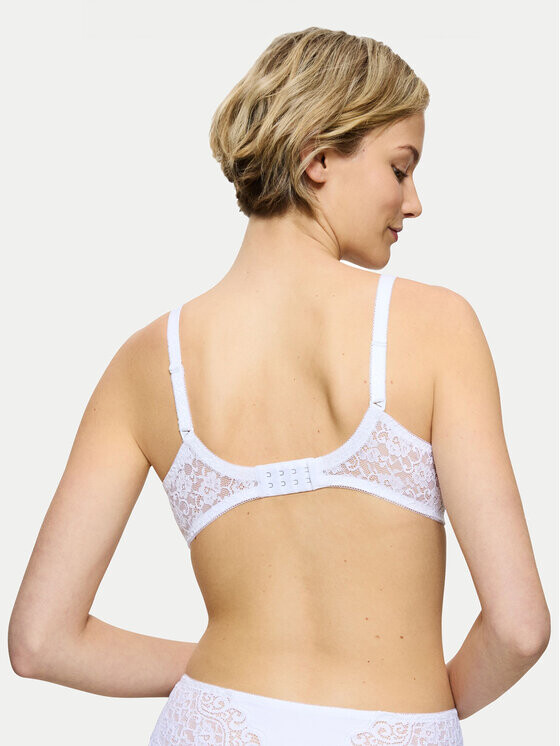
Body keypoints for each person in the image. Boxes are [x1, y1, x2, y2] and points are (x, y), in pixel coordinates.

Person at [8, 27, 550, 746]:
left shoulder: (144, 362)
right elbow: (519, 628)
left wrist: (228, 677)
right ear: (317, 159)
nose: (414, 202)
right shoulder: (436, 326)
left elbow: (40, 640)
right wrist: (423, 710)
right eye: (400, 168)